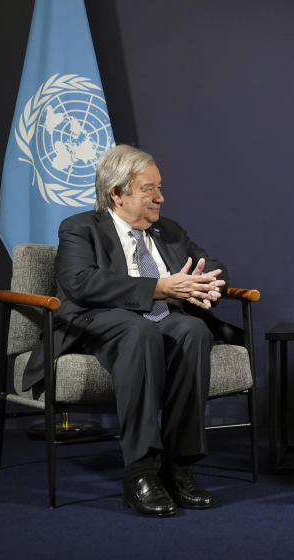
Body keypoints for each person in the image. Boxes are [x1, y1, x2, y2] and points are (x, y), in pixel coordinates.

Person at [21, 144, 233, 517]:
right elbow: (80, 282)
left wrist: (201, 282)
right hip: (98, 319)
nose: (160, 198)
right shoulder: (80, 228)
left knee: (194, 331)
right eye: (149, 189)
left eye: (160, 188)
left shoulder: (168, 231)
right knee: (140, 332)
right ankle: (140, 472)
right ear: (117, 194)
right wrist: (158, 288)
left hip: (160, 318)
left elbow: (211, 263)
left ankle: (178, 467)